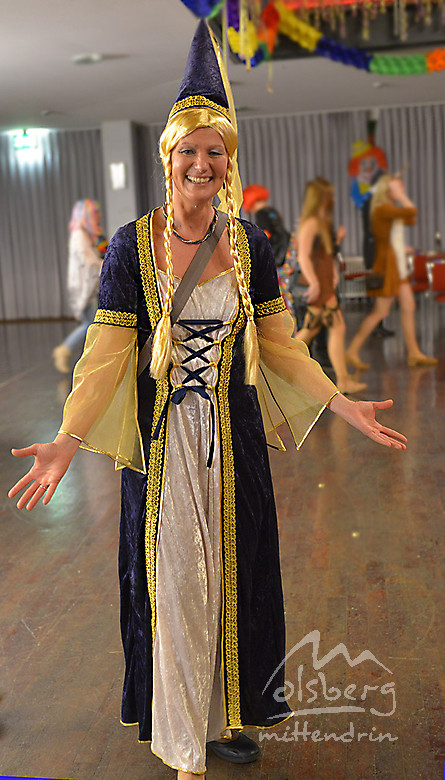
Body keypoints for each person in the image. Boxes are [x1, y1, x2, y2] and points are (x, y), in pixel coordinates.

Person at [8, 22, 407, 780]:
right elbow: (106, 356)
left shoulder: (250, 244)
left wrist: (340, 402)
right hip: (162, 450)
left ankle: (221, 716)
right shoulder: (131, 246)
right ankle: (180, 731)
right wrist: (66, 438)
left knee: (232, 575)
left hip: (233, 441)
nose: (202, 163)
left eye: (215, 151)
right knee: (172, 580)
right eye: (188, 149)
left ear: (230, 160)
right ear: (168, 157)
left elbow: (281, 344)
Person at [346, 175, 438, 370]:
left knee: (409, 306)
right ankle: (352, 351)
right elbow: (412, 211)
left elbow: (410, 220)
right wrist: (402, 197)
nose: (402, 190)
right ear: (387, 190)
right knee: (381, 311)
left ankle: (414, 353)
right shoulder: (383, 209)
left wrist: (402, 248)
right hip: (388, 266)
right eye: (398, 187)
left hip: (397, 264)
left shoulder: (390, 209)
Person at [295, 177, 367, 394]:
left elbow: (325, 254)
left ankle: (343, 380)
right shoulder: (311, 223)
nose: (333, 199)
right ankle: (275, 370)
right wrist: (315, 283)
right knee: (315, 330)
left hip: (325, 283)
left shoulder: (321, 221)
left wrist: (332, 274)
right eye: (329, 195)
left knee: (316, 330)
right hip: (320, 284)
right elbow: (303, 256)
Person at [52, 199, 107, 374]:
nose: (98, 215)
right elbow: (88, 260)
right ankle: (64, 350)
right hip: (85, 289)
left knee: (94, 324)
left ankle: (91, 359)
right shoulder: (79, 235)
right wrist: (107, 264)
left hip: (92, 286)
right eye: (95, 213)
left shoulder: (91, 234)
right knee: (90, 324)